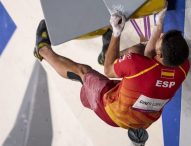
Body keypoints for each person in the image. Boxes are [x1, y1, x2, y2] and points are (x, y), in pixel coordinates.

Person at [33, 7, 189, 144]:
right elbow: (149, 55)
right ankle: (107, 52)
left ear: (160, 54)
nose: (161, 35)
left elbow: (108, 70)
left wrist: (117, 32)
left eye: (161, 39)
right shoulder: (183, 68)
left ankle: (42, 50)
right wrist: (159, 25)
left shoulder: (138, 65)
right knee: (138, 51)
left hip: (111, 110)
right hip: (138, 114)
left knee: (83, 71)